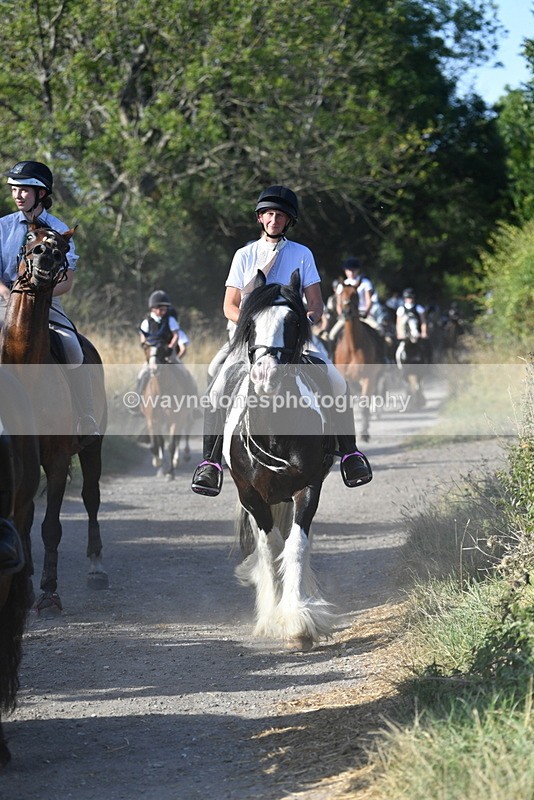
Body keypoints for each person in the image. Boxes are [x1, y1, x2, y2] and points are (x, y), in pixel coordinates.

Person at [191, 184, 373, 497]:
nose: (274, 219)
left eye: (280, 215)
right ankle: (211, 463)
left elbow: (314, 304)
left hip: (292, 337)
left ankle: (350, 454)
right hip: (250, 338)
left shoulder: (302, 254)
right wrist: (254, 323)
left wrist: (300, 324)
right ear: (260, 218)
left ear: (289, 220)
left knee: (337, 381)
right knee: (216, 381)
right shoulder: (244, 255)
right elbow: (229, 306)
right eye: (269, 214)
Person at [0, 160, 99, 446]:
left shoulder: (59, 229)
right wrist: (10, 296)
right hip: (5, 301)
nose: (18, 195)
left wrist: (38, 296)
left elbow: (67, 280)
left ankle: (86, 416)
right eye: (14, 189)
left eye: (24, 190)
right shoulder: (2, 227)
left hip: (45, 304)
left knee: (72, 346)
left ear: (41, 194)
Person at [136, 289, 192, 391]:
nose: (161, 312)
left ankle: (192, 396)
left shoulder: (170, 320)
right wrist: (146, 347)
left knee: (183, 372)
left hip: (169, 355)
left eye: (164, 309)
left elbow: (176, 336)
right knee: (142, 374)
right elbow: (143, 339)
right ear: (153, 308)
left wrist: (170, 348)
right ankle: (136, 399)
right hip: (153, 355)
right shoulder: (146, 322)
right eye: (159, 309)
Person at [328, 256, 377, 344]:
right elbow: (339, 304)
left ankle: (382, 356)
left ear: (357, 270)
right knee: (332, 335)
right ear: (345, 271)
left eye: (353, 270)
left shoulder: (365, 283)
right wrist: (341, 314)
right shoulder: (341, 285)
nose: (351, 272)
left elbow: (369, 300)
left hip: (362, 314)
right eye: (348, 270)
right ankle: (331, 356)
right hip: (346, 315)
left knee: (379, 330)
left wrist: (365, 312)